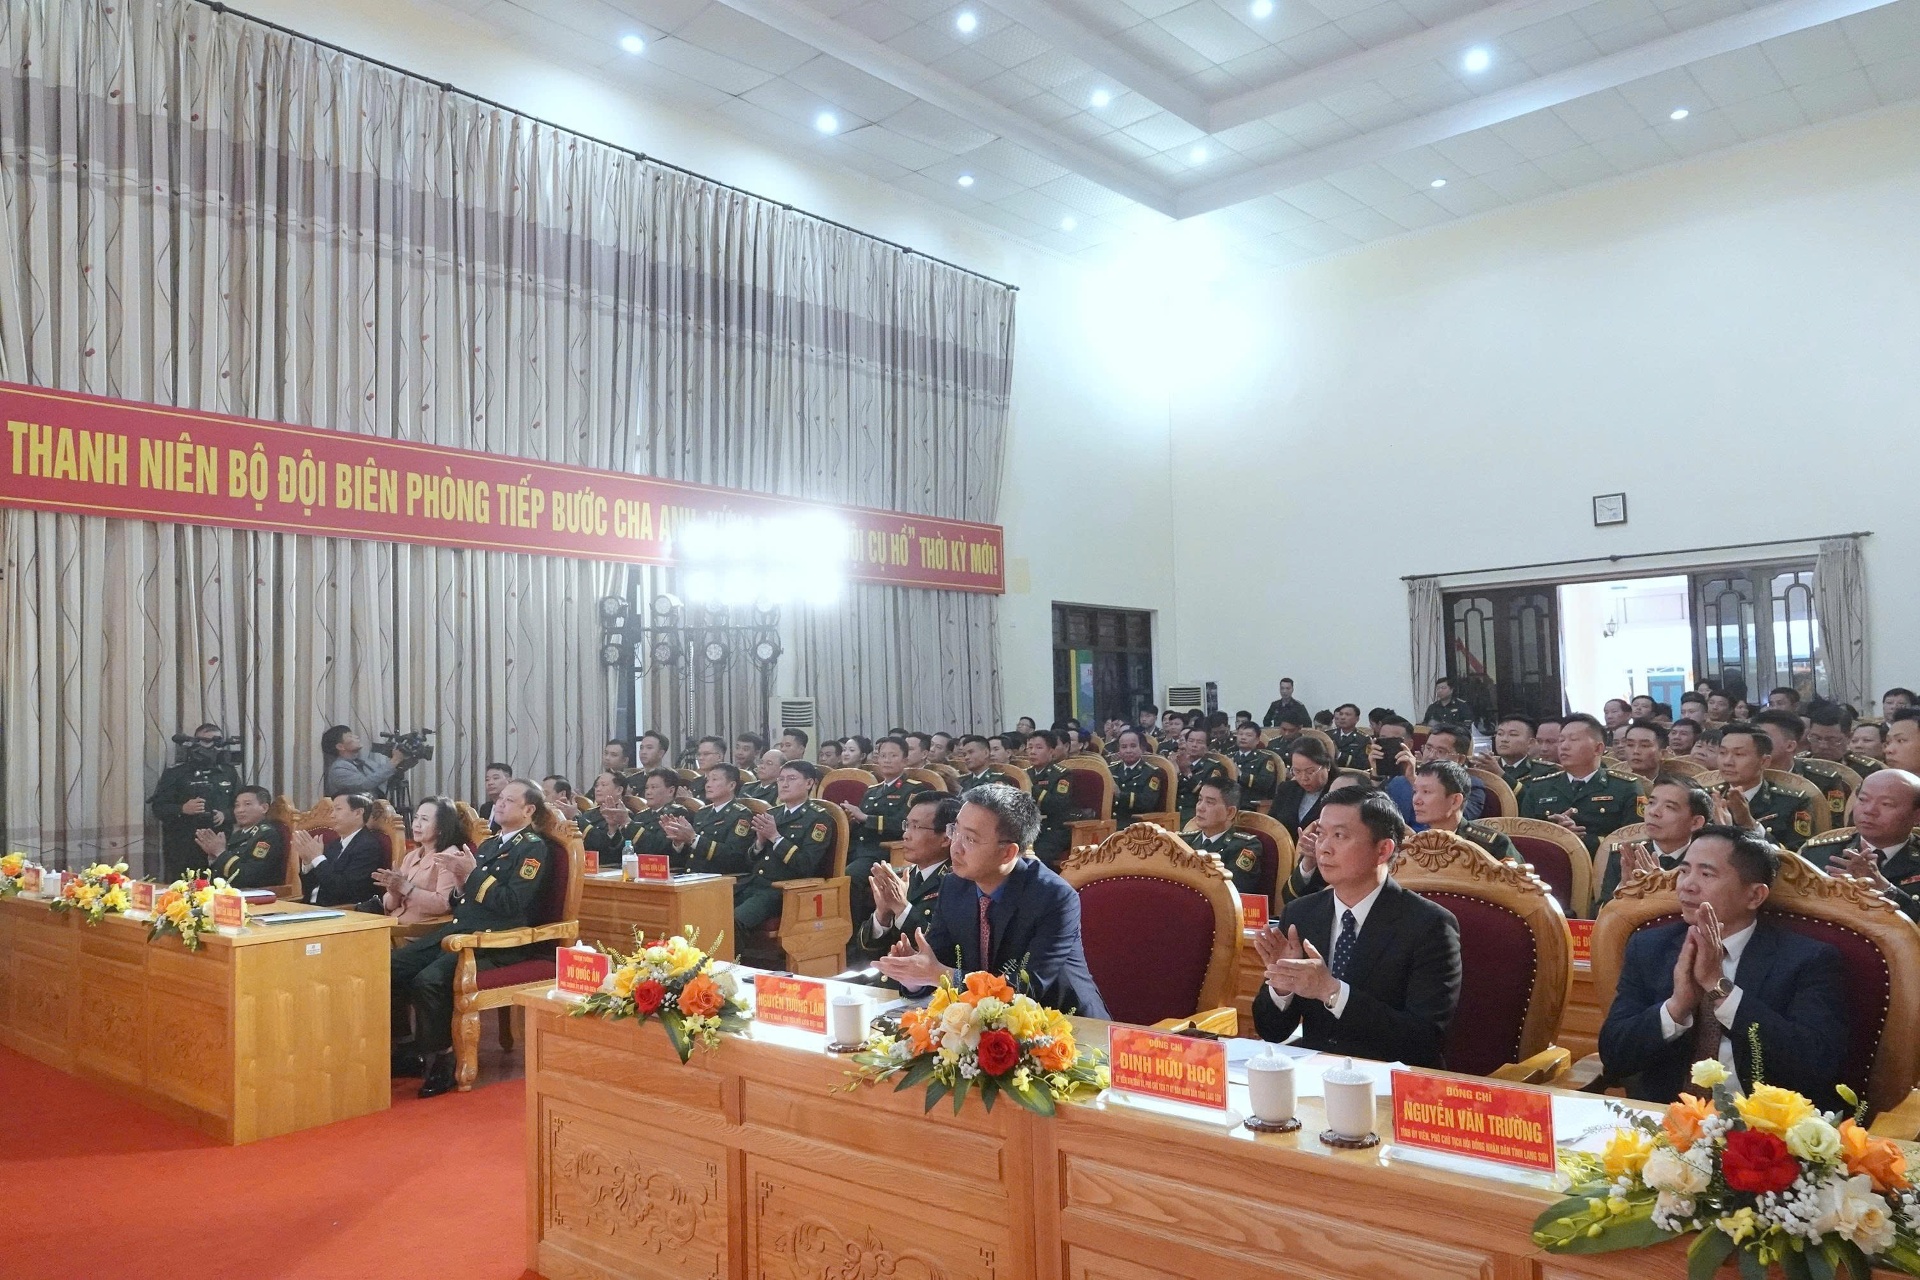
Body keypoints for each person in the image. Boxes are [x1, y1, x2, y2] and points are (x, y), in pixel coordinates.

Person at [1597, 827, 1845, 1108]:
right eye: (1684, 871)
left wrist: (1720, 989)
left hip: (1760, 1121)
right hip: (1666, 1117)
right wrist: (1676, 1007)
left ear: (1754, 896)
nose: (1687, 885)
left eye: (1706, 874)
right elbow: (1614, 1056)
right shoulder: (1650, 947)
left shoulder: (1808, 959)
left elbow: (1816, 1063)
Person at [1249, 788, 1461, 1069]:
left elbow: (1423, 1041)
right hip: (1316, 1076)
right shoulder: (1301, 914)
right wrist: (1282, 985)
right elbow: (1271, 1031)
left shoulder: (1430, 926)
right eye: (1321, 834)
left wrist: (1332, 991)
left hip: (1390, 1081)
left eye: (1340, 836)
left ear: (1383, 850)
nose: (1324, 848)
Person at [872, 783, 1108, 1017]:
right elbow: (939, 961)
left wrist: (940, 974)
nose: (956, 847)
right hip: (980, 1020)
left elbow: (1028, 987)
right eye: (955, 831)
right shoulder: (954, 885)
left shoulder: (1053, 897)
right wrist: (914, 974)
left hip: (1064, 1022)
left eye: (970, 839)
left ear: (1008, 853)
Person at [390, 779, 557, 1097]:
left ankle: (442, 1059)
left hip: (499, 940)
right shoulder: (491, 845)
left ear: (528, 810)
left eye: (509, 800)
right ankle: (407, 1049)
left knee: (429, 980)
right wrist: (459, 882)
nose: (500, 803)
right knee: (392, 965)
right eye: (500, 798)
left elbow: (511, 903)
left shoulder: (532, 848)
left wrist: (472, 873)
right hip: (461, 928)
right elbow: (465, 899)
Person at [1516, 713, 1647, 853]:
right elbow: (1523, 838)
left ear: (1598, 748)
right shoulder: (1539, 788)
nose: (1564, 746)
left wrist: (1581, 840)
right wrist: (1553, 833)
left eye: (1574, 740)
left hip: (1604, 862)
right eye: (1561, 740)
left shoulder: (1626, 788)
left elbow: (1638, 840)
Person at [1802, 769, 1920, 923]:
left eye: (1886, 804)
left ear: (1917, 815)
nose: (1869, 810)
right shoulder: (1818, 853)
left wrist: (1884, 887)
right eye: (1863, 799)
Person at [736, 760, 836, 932]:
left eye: (791, 778)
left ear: (809, 783)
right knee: (707, 910)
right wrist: (760, 842)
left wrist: (775, 837)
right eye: (781, 779)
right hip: (753, 884)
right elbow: (748, 861)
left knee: (734, 921)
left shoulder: (818, 819)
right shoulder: (772, 814)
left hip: (782, 891)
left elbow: (806, 865)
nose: (784, 784)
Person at [856, 793, 956, 960]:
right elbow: (867, 951)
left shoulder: (957, 883)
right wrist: (882, 914)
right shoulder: (904, 876)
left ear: (946, 838)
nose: (905, 835)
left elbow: (941, 950)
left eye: (916, 827)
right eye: (907, 825)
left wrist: (901, 907)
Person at [1596, 775, 1712, 907]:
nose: (1654, 812)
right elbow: (1599, 914)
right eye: (1651, 803)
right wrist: (1623, 890)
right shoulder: (1626, 858)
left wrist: (1660, 889)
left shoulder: (1706, 865)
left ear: (1695, 822)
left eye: (1669, 807)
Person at [151, 723, 243, 882]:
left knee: (220, 887)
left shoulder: (228, 772)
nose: (211, 747)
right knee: (185, 889)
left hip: (220, 844)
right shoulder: (176, 773)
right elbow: (158, 808)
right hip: (185, 846)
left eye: (217, 742)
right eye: (206, 741)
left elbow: (241, 806)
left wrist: (225, 815)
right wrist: (183, 809)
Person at [372, 797, 476, 923]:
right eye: (416, 818)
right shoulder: (412, 856)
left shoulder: (450, 857)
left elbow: (444, 904)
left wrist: (405, 887)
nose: (417, 824)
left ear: (441, 828)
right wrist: (395, 894)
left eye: (424, 819)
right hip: (394, 923)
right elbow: (388, 905)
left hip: (421, 929)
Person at [842, 736, 914, 917]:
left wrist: (866, 818)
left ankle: (856, 929)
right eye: (883, 756)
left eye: (893, 756)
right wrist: (850, 819)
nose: (887, 760)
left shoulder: (912, 790)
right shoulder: (872, 790)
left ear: (905, 760)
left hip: (884, 852)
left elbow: (904, 824)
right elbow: (860, 822)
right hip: (857, 849)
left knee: (850, 875)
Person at [1715, 722, 1814, 851]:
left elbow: (1795, 856)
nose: (1727, 762)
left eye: (1739, 754)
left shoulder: (1792, 802)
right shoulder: (1706, 795)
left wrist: (1750, 824)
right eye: (1722, 752)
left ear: (1764, 761)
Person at [1753, 708, 1851, 827]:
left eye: (1765, 739)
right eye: (1755, 739)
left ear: (1790, 746)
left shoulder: (1824, 781)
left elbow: (1833, 828)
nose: (1757, 745)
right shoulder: (1743, 776)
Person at [1410, 762, 1520, 864]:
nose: (1416, 800)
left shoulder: (1494, 845)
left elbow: (1518, 877)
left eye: (1426, 792)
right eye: (1415, 791)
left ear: (1455, 801)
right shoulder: (1415, 844)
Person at [1383, 722, 1484, 828]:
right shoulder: (1399, 781)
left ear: (1460, 759)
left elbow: (1457, 821)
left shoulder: (1473, 785)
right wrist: (1375, 776)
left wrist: (1414, 780)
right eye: (1428, 748)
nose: (1431, 756)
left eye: (1440, 751)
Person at [292, 793, 387, 906]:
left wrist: (317, 858)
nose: (332, 815)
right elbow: (311, 889)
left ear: (358, 813)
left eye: (338, 809)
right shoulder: (334, 845)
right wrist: (308, 862)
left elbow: (342, 891)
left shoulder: (367, 847)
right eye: (333, 810)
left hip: (341, 911)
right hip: (311, 908)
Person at [196, 785, 287, 890]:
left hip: (255, 893)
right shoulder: (238, 834)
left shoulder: (267, 835)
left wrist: (220, 852)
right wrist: (214, 856)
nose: (240, 810)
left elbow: (249, 876)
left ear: (264, 808)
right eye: (237, 805)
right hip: (231, 891)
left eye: (247, 804)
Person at [1186, 779, 1267, 896]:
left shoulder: (1246, 846)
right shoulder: (1185, 840)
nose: (1200, 807)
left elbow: (1231, 890)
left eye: (1209, 802)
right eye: (1199, 800)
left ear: (1230, 812)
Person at [1024, 730, 1090, 867]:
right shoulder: (1024, 774)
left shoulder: (1061, 775)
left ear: (1051, 751)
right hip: (1027, 828)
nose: (1033, 752)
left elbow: (1058, 804)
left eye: (1039, 747)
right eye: (1030, 747)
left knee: (1034, 859)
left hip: (1052, 830)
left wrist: (1031, 789)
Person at [683, 763, 757, 876]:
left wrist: (694, 839)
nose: (708, 785)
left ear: (731, 785)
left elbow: (734, 856)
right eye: (708, 780)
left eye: (714, 780)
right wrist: (678, 842)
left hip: (718, 878)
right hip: (692, 875)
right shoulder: (702, 812)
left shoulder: (741, 815)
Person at [320, 724, 416, 801]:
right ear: (340, 747)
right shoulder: (338, 769)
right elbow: (365, 784)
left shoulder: (363, 762)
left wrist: (407, 758)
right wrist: (395, 760)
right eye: (350, 736)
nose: (357, 737)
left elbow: (384, 774)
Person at [1270, 735, 1336, 840]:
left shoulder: (1338, 790)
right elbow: (1271, 826)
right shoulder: (1286, 789)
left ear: (1327, 765)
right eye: (1297, 771)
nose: (1303, 778)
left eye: (1310, 771)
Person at [630, 767, 696, 866]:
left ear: (671, 791)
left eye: (654, 787)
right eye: (647, 788)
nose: (648, 792)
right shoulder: (640, 816)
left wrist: (627, 823)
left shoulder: (677, 813)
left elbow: (659, 849)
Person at [578, 772, 642, 865]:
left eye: (603, 785)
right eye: (596, 785)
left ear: (619, 790)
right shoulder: (588, 813)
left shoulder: (625, 816)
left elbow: (615, 852)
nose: (598, 789)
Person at [1109, 728, 1167, 826]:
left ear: (1142, 748)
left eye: (1133, 746)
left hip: (1136, 825)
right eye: (1124, 747)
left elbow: (1147, 803)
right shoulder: (1110, 770)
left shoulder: (1152, 772)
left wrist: (1120, 794)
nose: (1128, 751)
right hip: (1111, 822)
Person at [1486, 713, 1555, 792]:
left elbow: (1533, 797)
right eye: (1500, 734)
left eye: (1513, 734)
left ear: (1530, 743)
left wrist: (1501, 774)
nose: (1504, 739)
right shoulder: (1486, 767)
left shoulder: (1544, 772)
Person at [1172, 726, 1227, 824]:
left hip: (1197, 815)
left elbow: (1209, 796)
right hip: (1174, 813)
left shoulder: (1214, 767)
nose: (1194, 745)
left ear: (1207, 747)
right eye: (1191, 741)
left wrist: (1187, 773)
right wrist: (1174, 773)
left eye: (1199, 742)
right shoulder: (1178, 761)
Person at [1227, 722, 1280, 810]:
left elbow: (1265, 784)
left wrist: (1240, 775)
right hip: (1228, 802)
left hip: (1250, 804)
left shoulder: (1264, 759)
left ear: (1257, 740)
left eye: (1248, 735)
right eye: (1240, 734)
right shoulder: (1229, 757)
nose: (1243, 737)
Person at [1618, 719, 1668, 784]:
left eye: (1644, 745)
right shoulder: (1615, 784)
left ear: (1663, 754)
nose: (1635, 751)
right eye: (1630, 745)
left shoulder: (1672, 786)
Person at [1328, 703, 1369, 770]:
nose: (1342, 717)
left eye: (1347, 714)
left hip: (1351, 774)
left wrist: (1339, 754)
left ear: (1357, 719)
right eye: (1341, 714)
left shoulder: (1363, 739)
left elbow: (1364, 764)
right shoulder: (1328, 735)